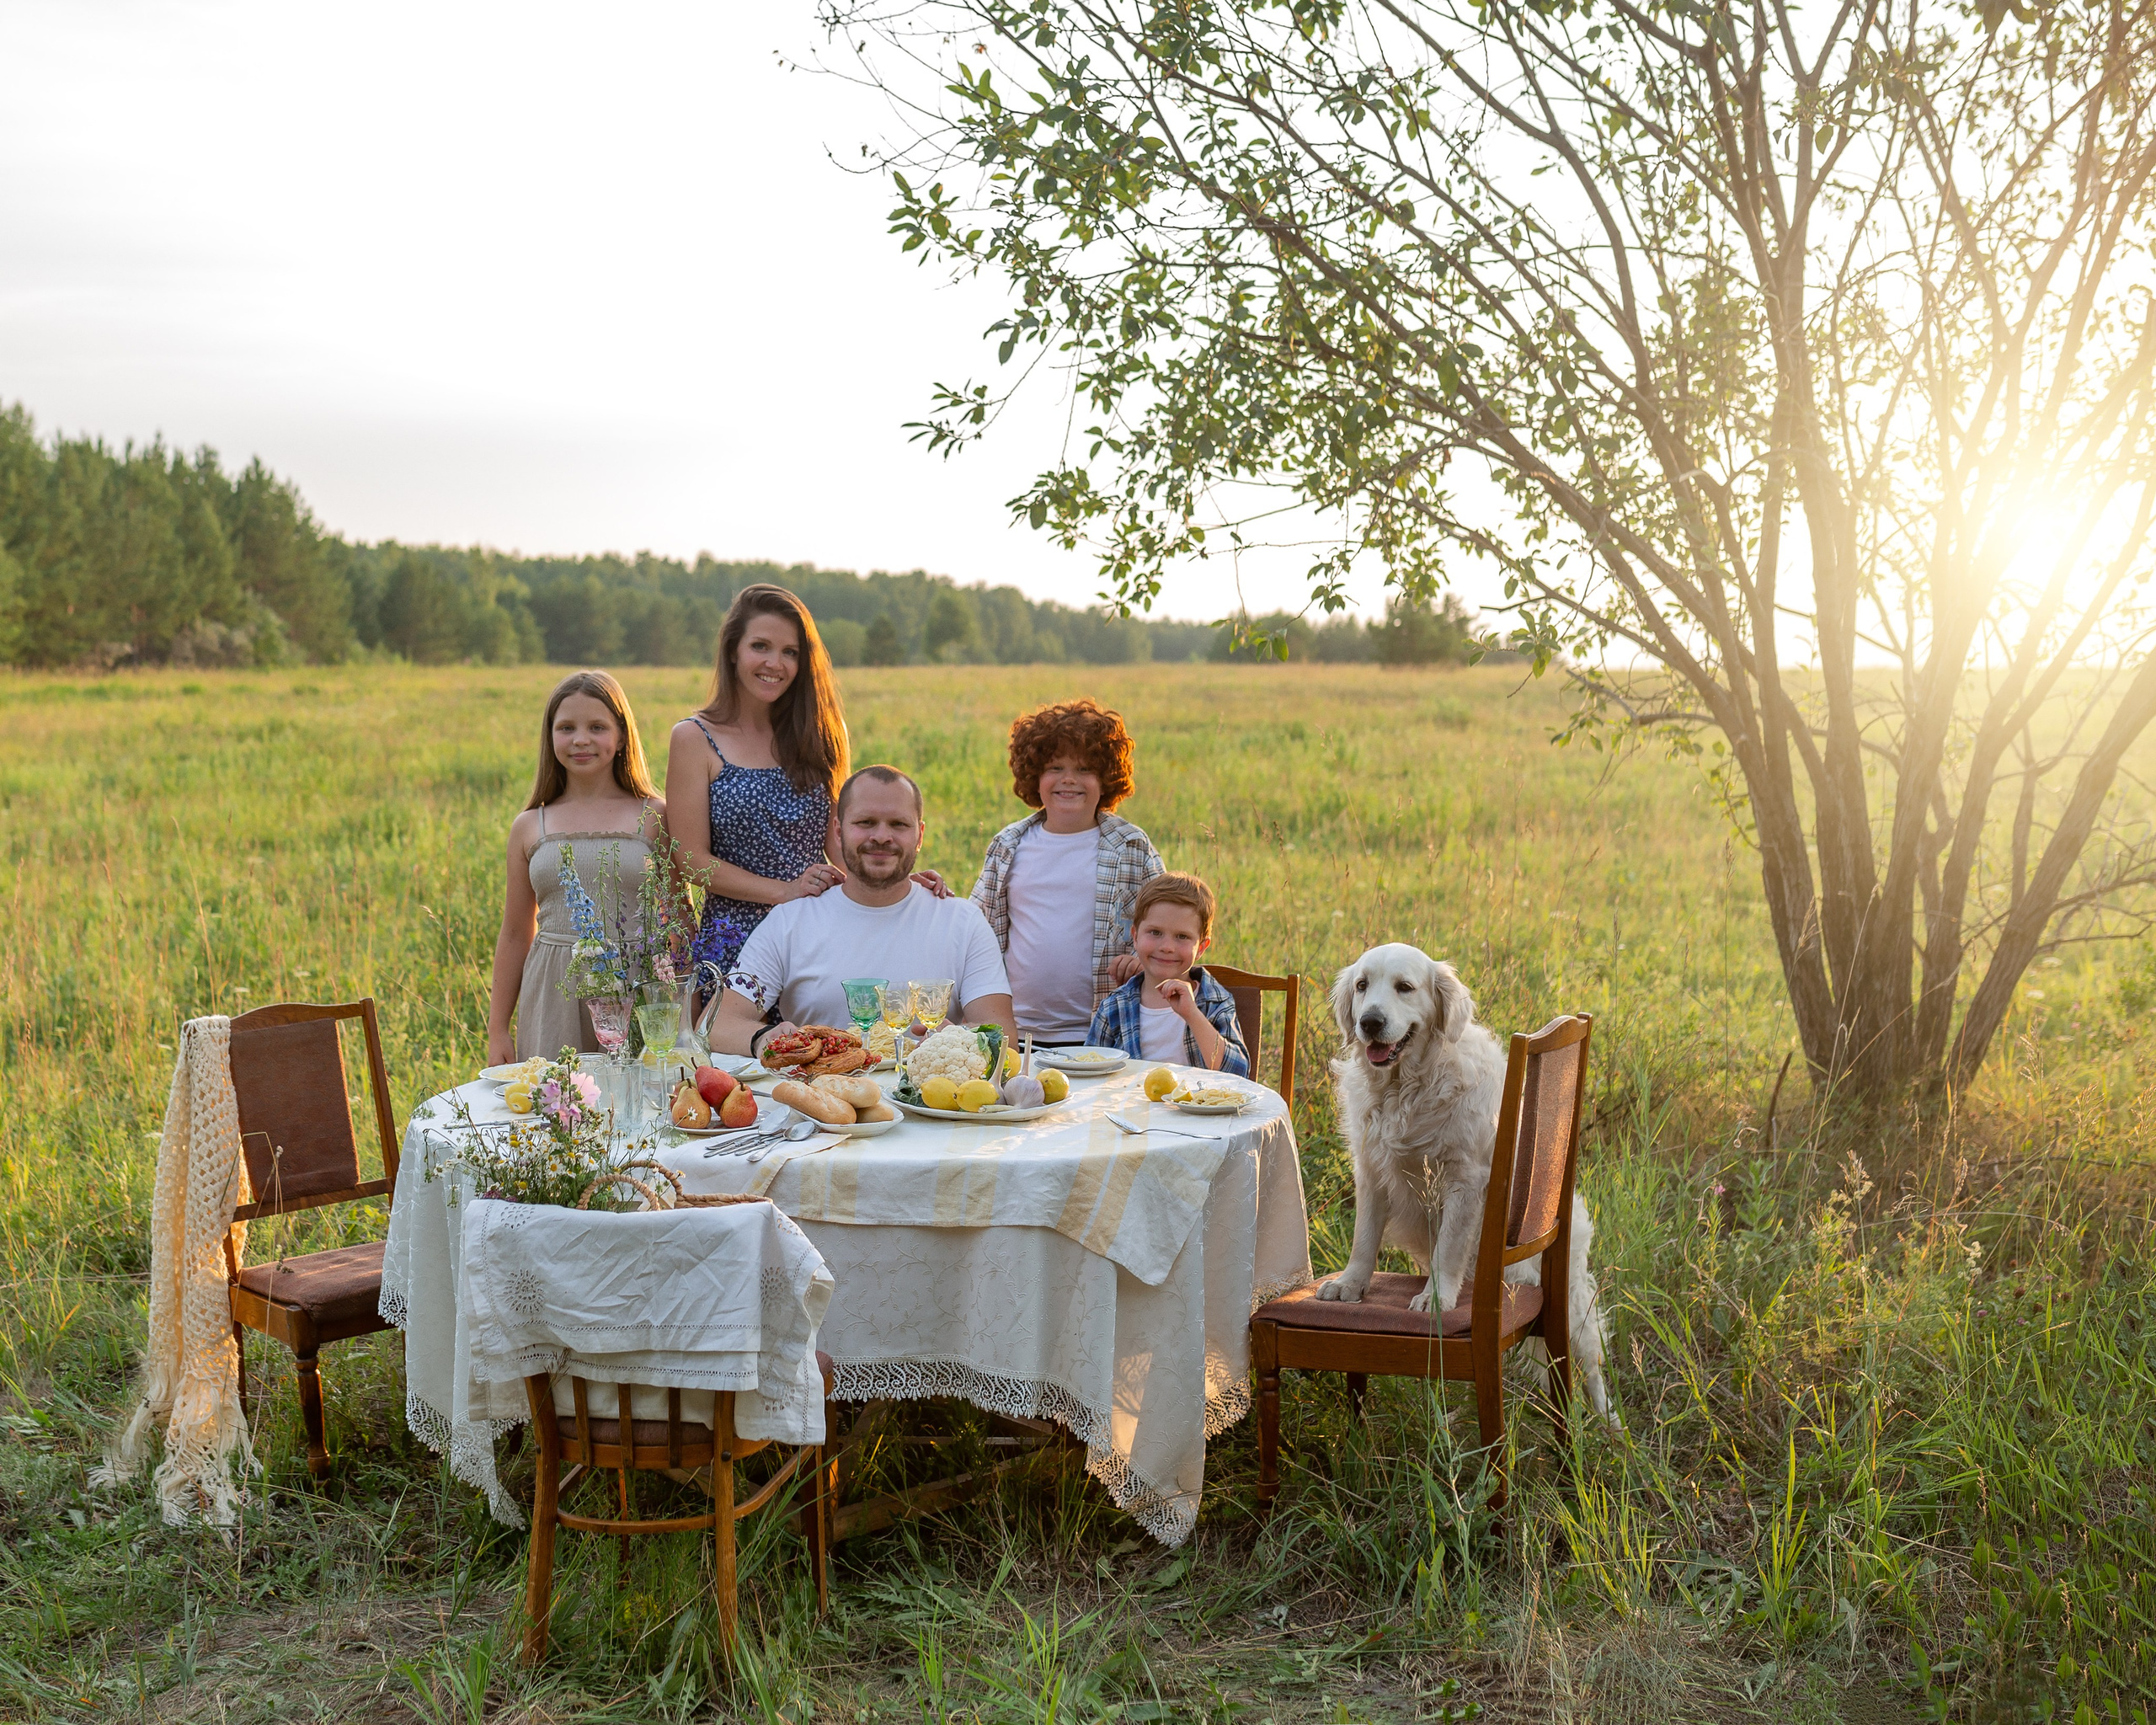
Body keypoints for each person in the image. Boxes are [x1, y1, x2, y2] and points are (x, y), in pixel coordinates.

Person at [706, 766, 1013, 1058]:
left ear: (920, 835)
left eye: (899, 824)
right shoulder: (789, 921)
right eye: (866, 822)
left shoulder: (963, 922)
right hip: (820, 1091)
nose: (881, 836)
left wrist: (957, 1038)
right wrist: (765, 1039)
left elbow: (1002, 1034)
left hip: (929, 1092)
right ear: (839, 831)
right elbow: (715, 1025)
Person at [664, 585, 851, 1005]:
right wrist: (784, 891)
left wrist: (900, 884)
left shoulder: (822, 733)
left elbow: (841, 846)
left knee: (825, 1045)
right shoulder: (694, 738)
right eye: (760, 646)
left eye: (790, 652)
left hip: (817, 935)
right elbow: (692, 861)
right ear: (733, 651)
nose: (775, 664)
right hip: (734, 942)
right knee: (737, 1049)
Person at [487, 670, 668, 1065]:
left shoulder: (655, 816)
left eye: (597, 727)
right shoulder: (530, 825)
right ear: (550, 736)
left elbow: (680, 921)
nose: (581, 739)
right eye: (566, 727)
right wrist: (497, 1029)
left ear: (622, 736)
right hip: (554, 994)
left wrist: (686, 1016)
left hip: (638, 990)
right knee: (559, 1098)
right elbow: (515, 933)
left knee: (640, 1099)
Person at [969, 697, 1163, 1045]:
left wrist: (1140, 961)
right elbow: (977, 930)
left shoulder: (1132, 847)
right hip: (1016, 1033)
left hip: (1106, 1035)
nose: (1069, 780)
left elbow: (1170, 923)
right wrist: (933, 894)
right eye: (1055, 768)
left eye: (1085, 769)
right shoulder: (1009, 845)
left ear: (1107, 779)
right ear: (1034, 776)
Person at [1087, 873, 1251, 1075]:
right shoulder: (1114, 1007)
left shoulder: (1214, 1002)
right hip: (1127, 1096)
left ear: (1201, 947)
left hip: (1195, 1096)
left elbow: (1239, 1072)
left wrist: (1192, 1014)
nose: (1167, 947)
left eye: (1182, 936)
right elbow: (1089, 1072)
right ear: (1135, 936)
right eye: (1155, 932)